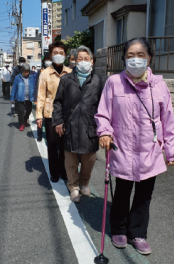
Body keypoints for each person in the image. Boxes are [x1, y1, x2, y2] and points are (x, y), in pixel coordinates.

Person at [95, 38, 174, 256]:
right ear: (124, 58)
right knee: (122, 192)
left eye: (140, 55)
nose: (135, 59)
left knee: (144, 195)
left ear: (149, 58)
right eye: (130, 55)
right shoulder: (114, 82)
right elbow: (103, 113)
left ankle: (138, 233)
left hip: (150, 152)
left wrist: (171, 149)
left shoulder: (159, 85)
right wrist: (104, 132)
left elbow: (168, 119)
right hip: (122, 149)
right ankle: (119, 229)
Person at [51, 45, 106, 203]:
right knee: (71, 160)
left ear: (92, 62)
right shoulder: (66, 79)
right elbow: (58, 102)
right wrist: (58, 121)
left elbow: (104, 106)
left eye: (86, 59)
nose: (83, 62)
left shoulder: (99, 81)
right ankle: (73, 186)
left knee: (89, 160)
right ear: (74, 61)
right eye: (79, 59)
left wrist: (105, 129)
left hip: (90, 128)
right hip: (70, 126)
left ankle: (84, 183)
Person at [37, 41, 72, 182]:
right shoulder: (45, 73)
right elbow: (41, 96)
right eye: (55, 53)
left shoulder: (70, 72)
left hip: (66, 115)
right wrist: (39, 116)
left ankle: (63, 170)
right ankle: (54, 172)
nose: (58, 55)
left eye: (61, 53)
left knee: (65, 145)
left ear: (65, 55)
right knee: (52, 144)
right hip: (50, 114)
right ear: (51, 55)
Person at [10, 62, 38, 131]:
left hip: (29, 97)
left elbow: (34, 87)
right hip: (20, 98)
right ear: (22, 71)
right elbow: (14, 88)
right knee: (20, 111)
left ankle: (25, 119)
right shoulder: (17, 78)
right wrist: (12, 97)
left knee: (29, 110)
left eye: (28, 71)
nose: (26, 73)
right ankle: (22, 124)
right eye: (25, 72)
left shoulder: (31, 77)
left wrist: (35, 97)